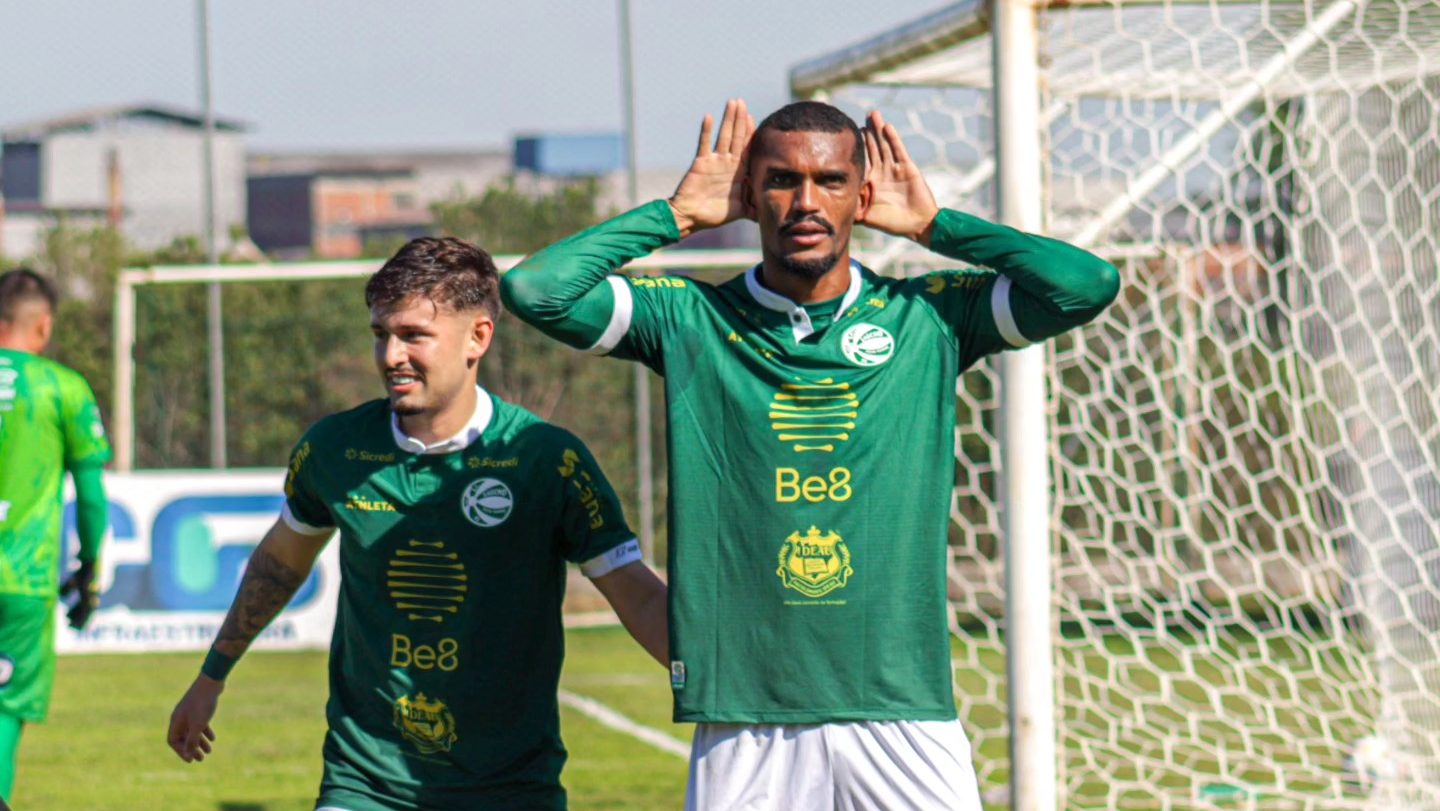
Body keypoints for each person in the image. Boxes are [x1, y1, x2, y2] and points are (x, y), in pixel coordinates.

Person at [502, 99, 1120, 810]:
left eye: (829, 181)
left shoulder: (928, 317)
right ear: (749, 193)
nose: (805, 202)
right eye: (781, 180)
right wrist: (675, 216)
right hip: (746, 715)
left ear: (862, 195)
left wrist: (935, 225)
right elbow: (535, 289)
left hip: (902, 708)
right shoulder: (690, 318)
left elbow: (1086, 285)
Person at [167, 237, 668, 811]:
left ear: (478, 337)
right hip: (367, 784)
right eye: (381, 334)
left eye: (413, 335)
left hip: (509, 789)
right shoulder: (335, 450)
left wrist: (720, 690)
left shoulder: (545, 459)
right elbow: (279, 565)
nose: (391, 356)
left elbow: (638, 596)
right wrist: (212, 675)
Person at [0, 269, 110, 802]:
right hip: (21, 579)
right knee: (3, 705)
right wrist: (89, 571)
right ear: (43, 325)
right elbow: (91, 498)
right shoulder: (61, 386)